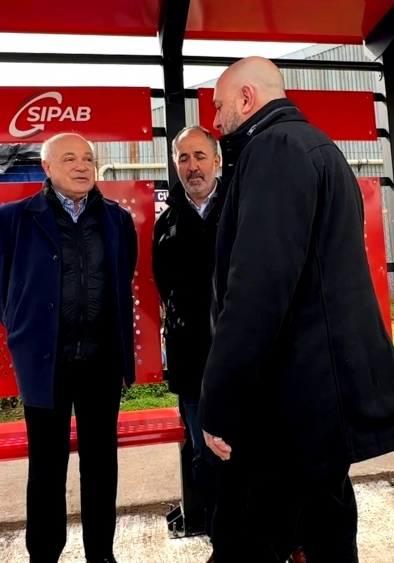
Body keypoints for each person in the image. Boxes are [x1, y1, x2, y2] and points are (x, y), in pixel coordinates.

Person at [200, 57, 394, 562]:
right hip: (322, 403)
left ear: (247, 99)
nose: (216, 121)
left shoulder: (273, 150)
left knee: (250, 539)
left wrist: (220, 401)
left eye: (219, 106)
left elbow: (258, 289)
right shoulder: (316, 147)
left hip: (291, 405)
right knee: (327, 532)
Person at [0, 133, 136, 563]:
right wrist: (26, 329)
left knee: (101, 465)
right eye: (70, 158)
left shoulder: (116, 219)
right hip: (45, 364)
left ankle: (101, 554)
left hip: (102, 362)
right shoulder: (11, 219)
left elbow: (125, 274)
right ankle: (44, 555)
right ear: (47, 167)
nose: (82, 165)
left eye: (88, 157)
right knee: (47, 469)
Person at [151, 126, 225, 552]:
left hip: (248, 360)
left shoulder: (241, 208)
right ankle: (224, 544)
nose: (192, 166)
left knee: (266, 453)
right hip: (193, 364)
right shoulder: (166, 223)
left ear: (216, 161)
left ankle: (286, 540)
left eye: (199, 156)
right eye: (183, 158)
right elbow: (167, 292)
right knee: (205, 457)